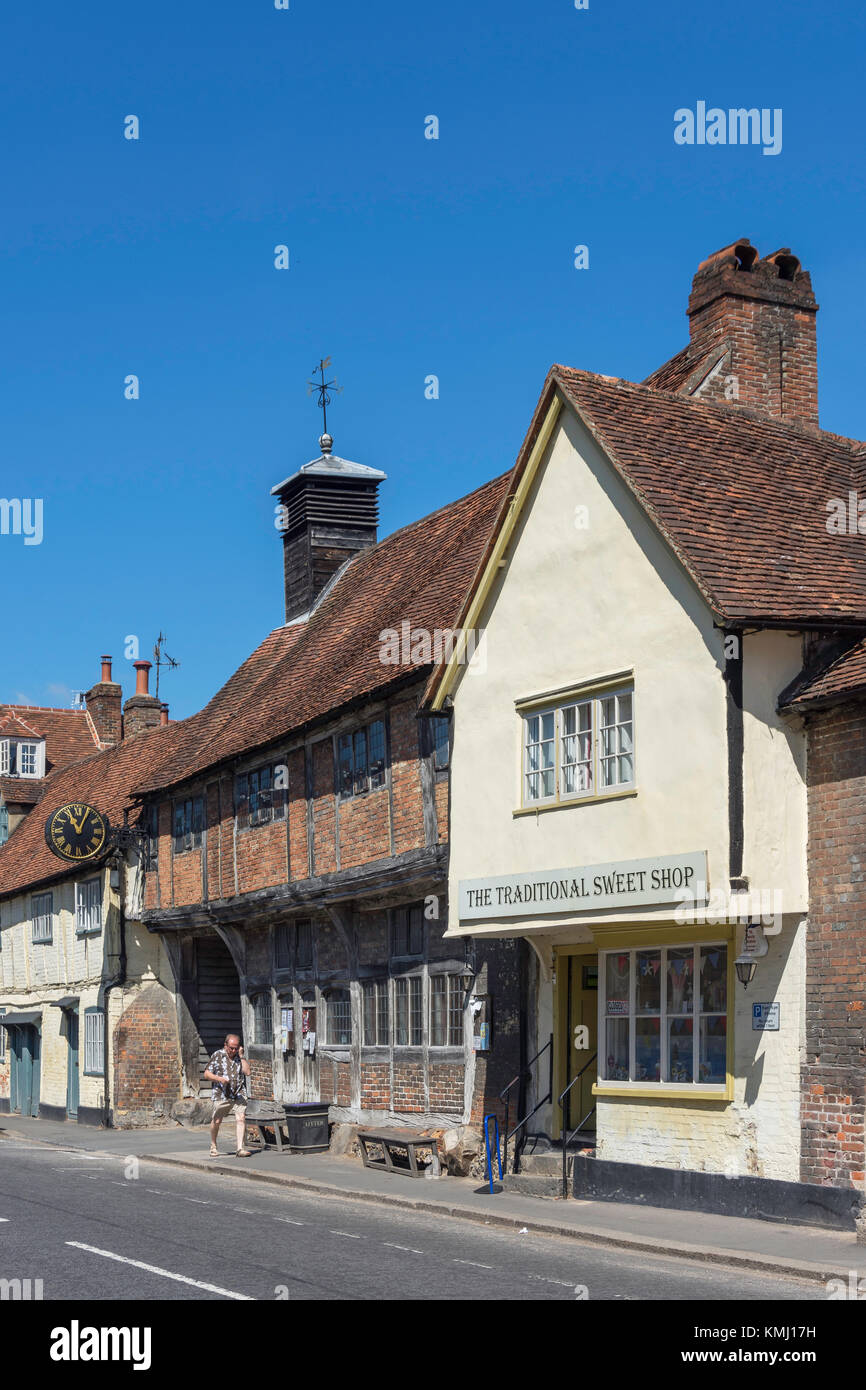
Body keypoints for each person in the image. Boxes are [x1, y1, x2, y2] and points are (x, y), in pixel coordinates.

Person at [205, 1033, 252, 1157]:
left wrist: (241, 1056)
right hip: (222, 1093)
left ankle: (240, 1148)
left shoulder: (238, 1057)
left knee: (241, 1118)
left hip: (238, 1092)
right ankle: (213, 1145)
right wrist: (219, 1079)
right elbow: (206, 1074)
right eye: (231, 1048)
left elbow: (247, 1072)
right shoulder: (217, 1055)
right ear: (225, 1045)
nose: (233, 1050)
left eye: (236, 1048)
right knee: (217, 1120)